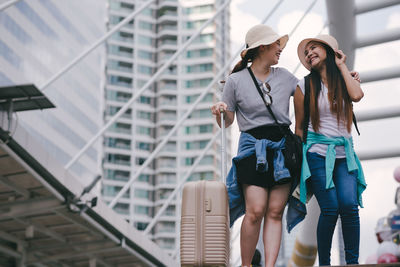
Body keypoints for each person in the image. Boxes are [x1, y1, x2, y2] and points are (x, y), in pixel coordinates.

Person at [211, 24, 298, 267]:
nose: (280, 49)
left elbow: (311, 92)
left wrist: (344, 75)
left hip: (282, 148)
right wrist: (219, 110)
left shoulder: (286, 77)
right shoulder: (236, 81)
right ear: (262, 47)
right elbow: (227, 121)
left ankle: (269, 265)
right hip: (252, 149)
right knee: (255, 210)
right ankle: (247, 264)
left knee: (274, 212)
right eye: (275, 44)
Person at [293, 34, 367, 265]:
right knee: (331, 207)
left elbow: (357, 95)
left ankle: (352, 262)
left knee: (349, 206)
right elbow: (299, 128)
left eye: (313, 48)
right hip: (317, 154)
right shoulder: (303, 86)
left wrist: (342, 65)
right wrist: (298, 163)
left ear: (328, 50)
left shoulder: (346, 79)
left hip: (345, 155)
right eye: (306, 52)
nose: (309, 53)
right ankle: (324, 262)